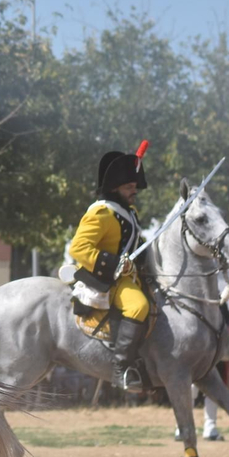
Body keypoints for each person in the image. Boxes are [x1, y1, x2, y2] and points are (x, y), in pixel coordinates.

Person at [64, 142, 151, 393]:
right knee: (139, 306)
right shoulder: (101, 213)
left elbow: (134, 243)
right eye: (129, 187)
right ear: (115, 188)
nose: (134, 190)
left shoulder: (129, 211)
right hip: (106, 277)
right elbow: (79, 249)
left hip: (129, 274)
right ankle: (123, 368)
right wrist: (115, 264)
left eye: (135, 186)